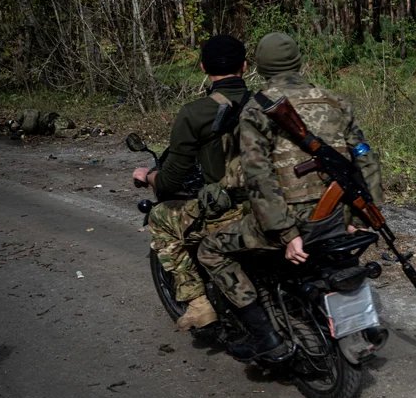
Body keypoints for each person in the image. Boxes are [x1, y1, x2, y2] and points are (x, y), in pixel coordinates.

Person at [197, 31, 383, 363]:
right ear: (300, 61)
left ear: (259, 67)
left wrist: (287, 234)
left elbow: (259, 176)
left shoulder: (258, 108)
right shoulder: (336, 101)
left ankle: (266, 338)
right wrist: (361, 218)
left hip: (295, 223)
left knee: (210, 249)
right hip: (338, 216)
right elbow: (365, 157)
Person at [131, 35, 251, 332]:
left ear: (202, 67)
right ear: (245, 66)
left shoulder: (195, 113)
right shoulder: (266, 104)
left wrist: (149, 177)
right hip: (268, 201)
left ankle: (198, 304)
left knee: (160, 217)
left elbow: (170, 179)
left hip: (231, 210)